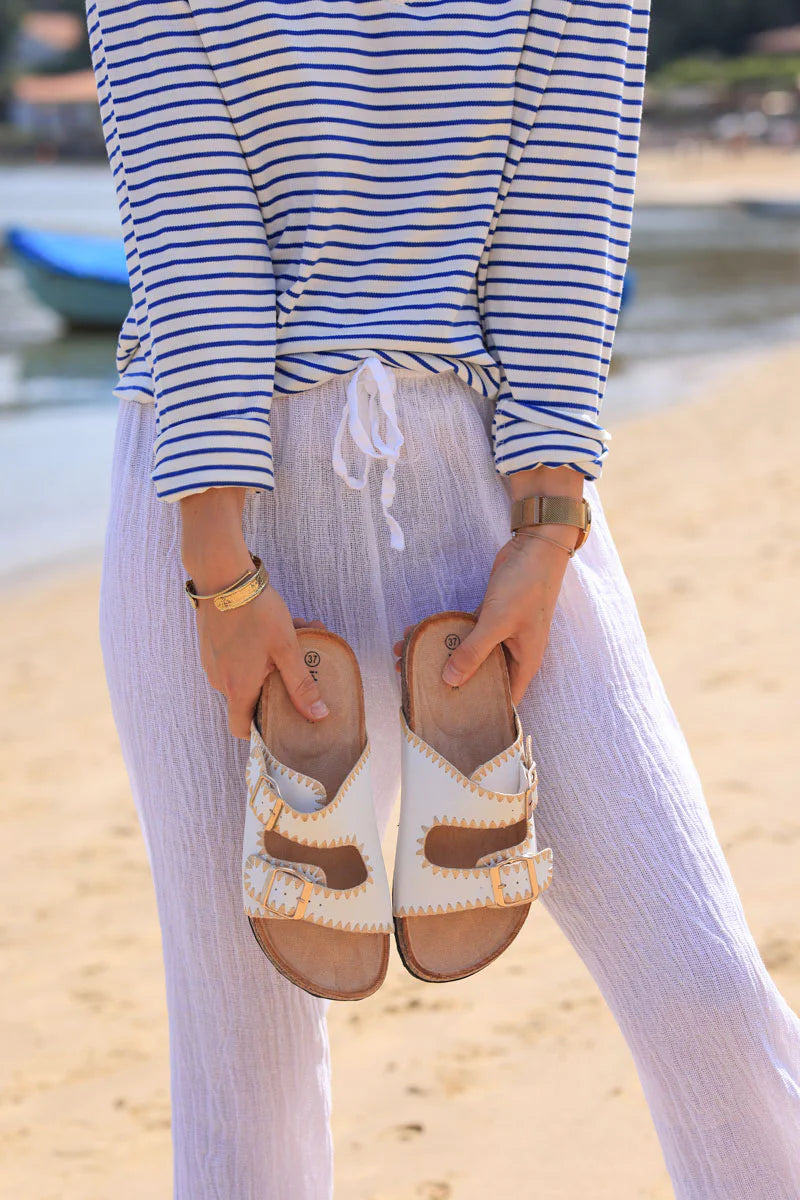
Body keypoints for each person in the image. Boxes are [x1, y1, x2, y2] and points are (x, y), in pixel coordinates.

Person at [86, 0, 800, 1196]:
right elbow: (189, 231)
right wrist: (219, 572)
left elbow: (563, 217)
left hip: (487, 497)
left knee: (703, 990)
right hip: (208, 509)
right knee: (245, 1069)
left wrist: (547, 519)